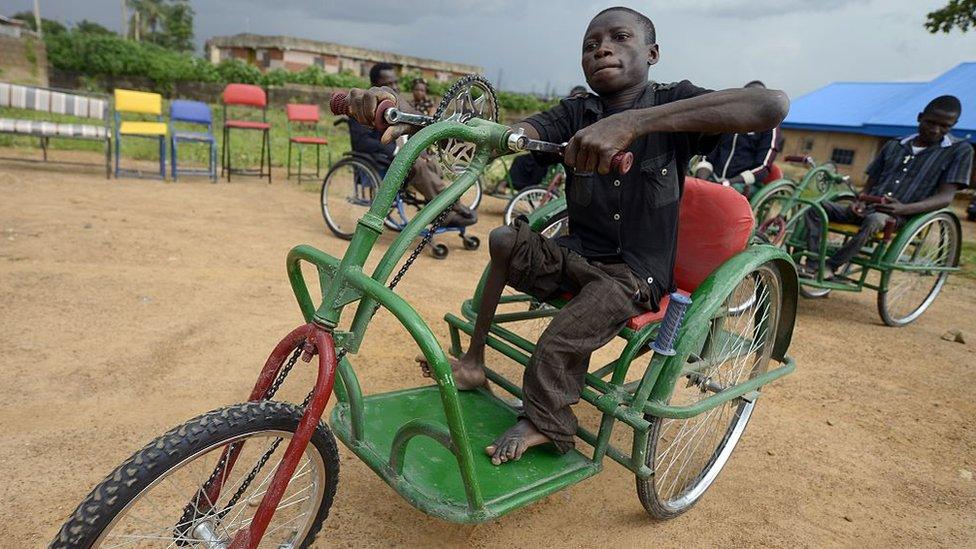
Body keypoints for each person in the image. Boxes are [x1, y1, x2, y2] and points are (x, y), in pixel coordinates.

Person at [345, 6, 788, 465]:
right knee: (503, 240)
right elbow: (515, 133)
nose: (602, 49)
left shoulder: (675, 101)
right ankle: (474, 364)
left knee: (559, 337)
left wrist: (635, 124)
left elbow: (770, 105)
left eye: (619, 38)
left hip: (631, 276)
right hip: (577, 255)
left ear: (653, 52)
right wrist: (416, 117)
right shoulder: (576, 111)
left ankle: (547, 423)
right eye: (590, 45)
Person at [802, 95, 972, 280]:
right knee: (815, 208)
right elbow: (870, 184)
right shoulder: (894, 145)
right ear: (919, 117)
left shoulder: (959, 151)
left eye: (944, 126)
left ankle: (829, 266)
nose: (935, 130)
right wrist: (859, 200)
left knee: (875, 220)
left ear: (952, 125)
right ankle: (812, 263)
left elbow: (945, 198)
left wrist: (904, 209)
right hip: (868, 208)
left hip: (901, 216)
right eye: (930, 122)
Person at [348, 63, 476, 228]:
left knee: (431, 162)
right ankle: (447, 208)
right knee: (417, 165)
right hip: (379, 159)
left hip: (400, 156)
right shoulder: (362, 106)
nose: (394, 87)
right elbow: (362, 142)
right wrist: (396, 151)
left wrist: (418, 149)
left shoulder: (397, 105)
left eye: (395, 83)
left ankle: (440, 206)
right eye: (389, 83)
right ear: (375, 84)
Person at [693, 80, 780, 197]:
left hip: (743, 183)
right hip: (714, 176)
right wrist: (701, 179)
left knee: (722, 197)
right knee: (690, 188)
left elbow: (763, 167)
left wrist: (729, 182)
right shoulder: (728, 121)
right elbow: (708, 153)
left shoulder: (769, 126)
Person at [508, 86, 590, 191]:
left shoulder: (588, 117)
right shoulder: (567, 112)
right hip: (551, 149)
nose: (576, 101)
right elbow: (545, 125)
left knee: (540, 165)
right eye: (573, 97)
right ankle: (516, 185)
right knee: (521, 160)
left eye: (578, 97)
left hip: (563, 157)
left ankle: (531, 188)